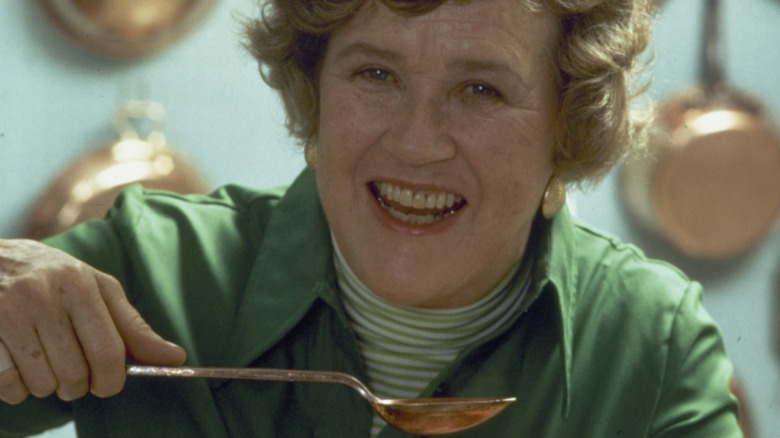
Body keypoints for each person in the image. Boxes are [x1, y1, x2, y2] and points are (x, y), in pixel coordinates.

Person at [0, 0, 742, 436]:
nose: (417, 141)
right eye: (376, 73)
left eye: (480, 89)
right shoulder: (150, 268)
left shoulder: (653, 340)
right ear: (315, 98)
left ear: (566, 130)